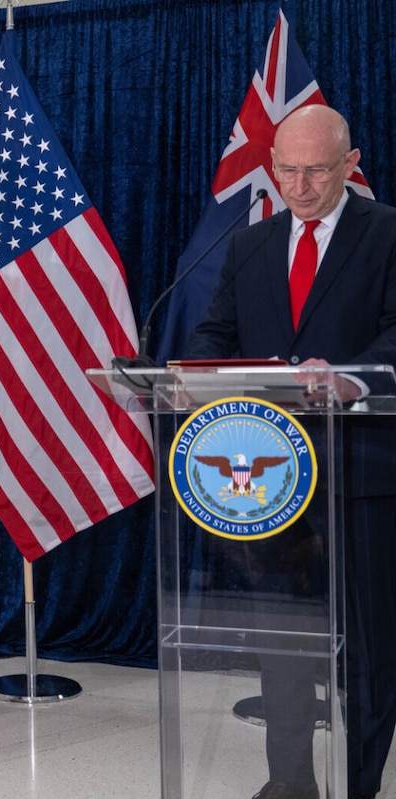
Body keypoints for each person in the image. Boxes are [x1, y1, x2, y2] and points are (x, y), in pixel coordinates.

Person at [186, 105, 396, 799]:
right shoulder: (252, 244)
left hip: (361, 471)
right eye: (286, 170)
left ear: (350, 164)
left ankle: (359, 786)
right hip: (269, 476)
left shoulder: (388, 234)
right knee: (283, 645)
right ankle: (290, 782)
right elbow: (218, 332)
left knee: (367, 648)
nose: (298, 186)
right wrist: (196, 376)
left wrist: (349, 378)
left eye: (314, 171)